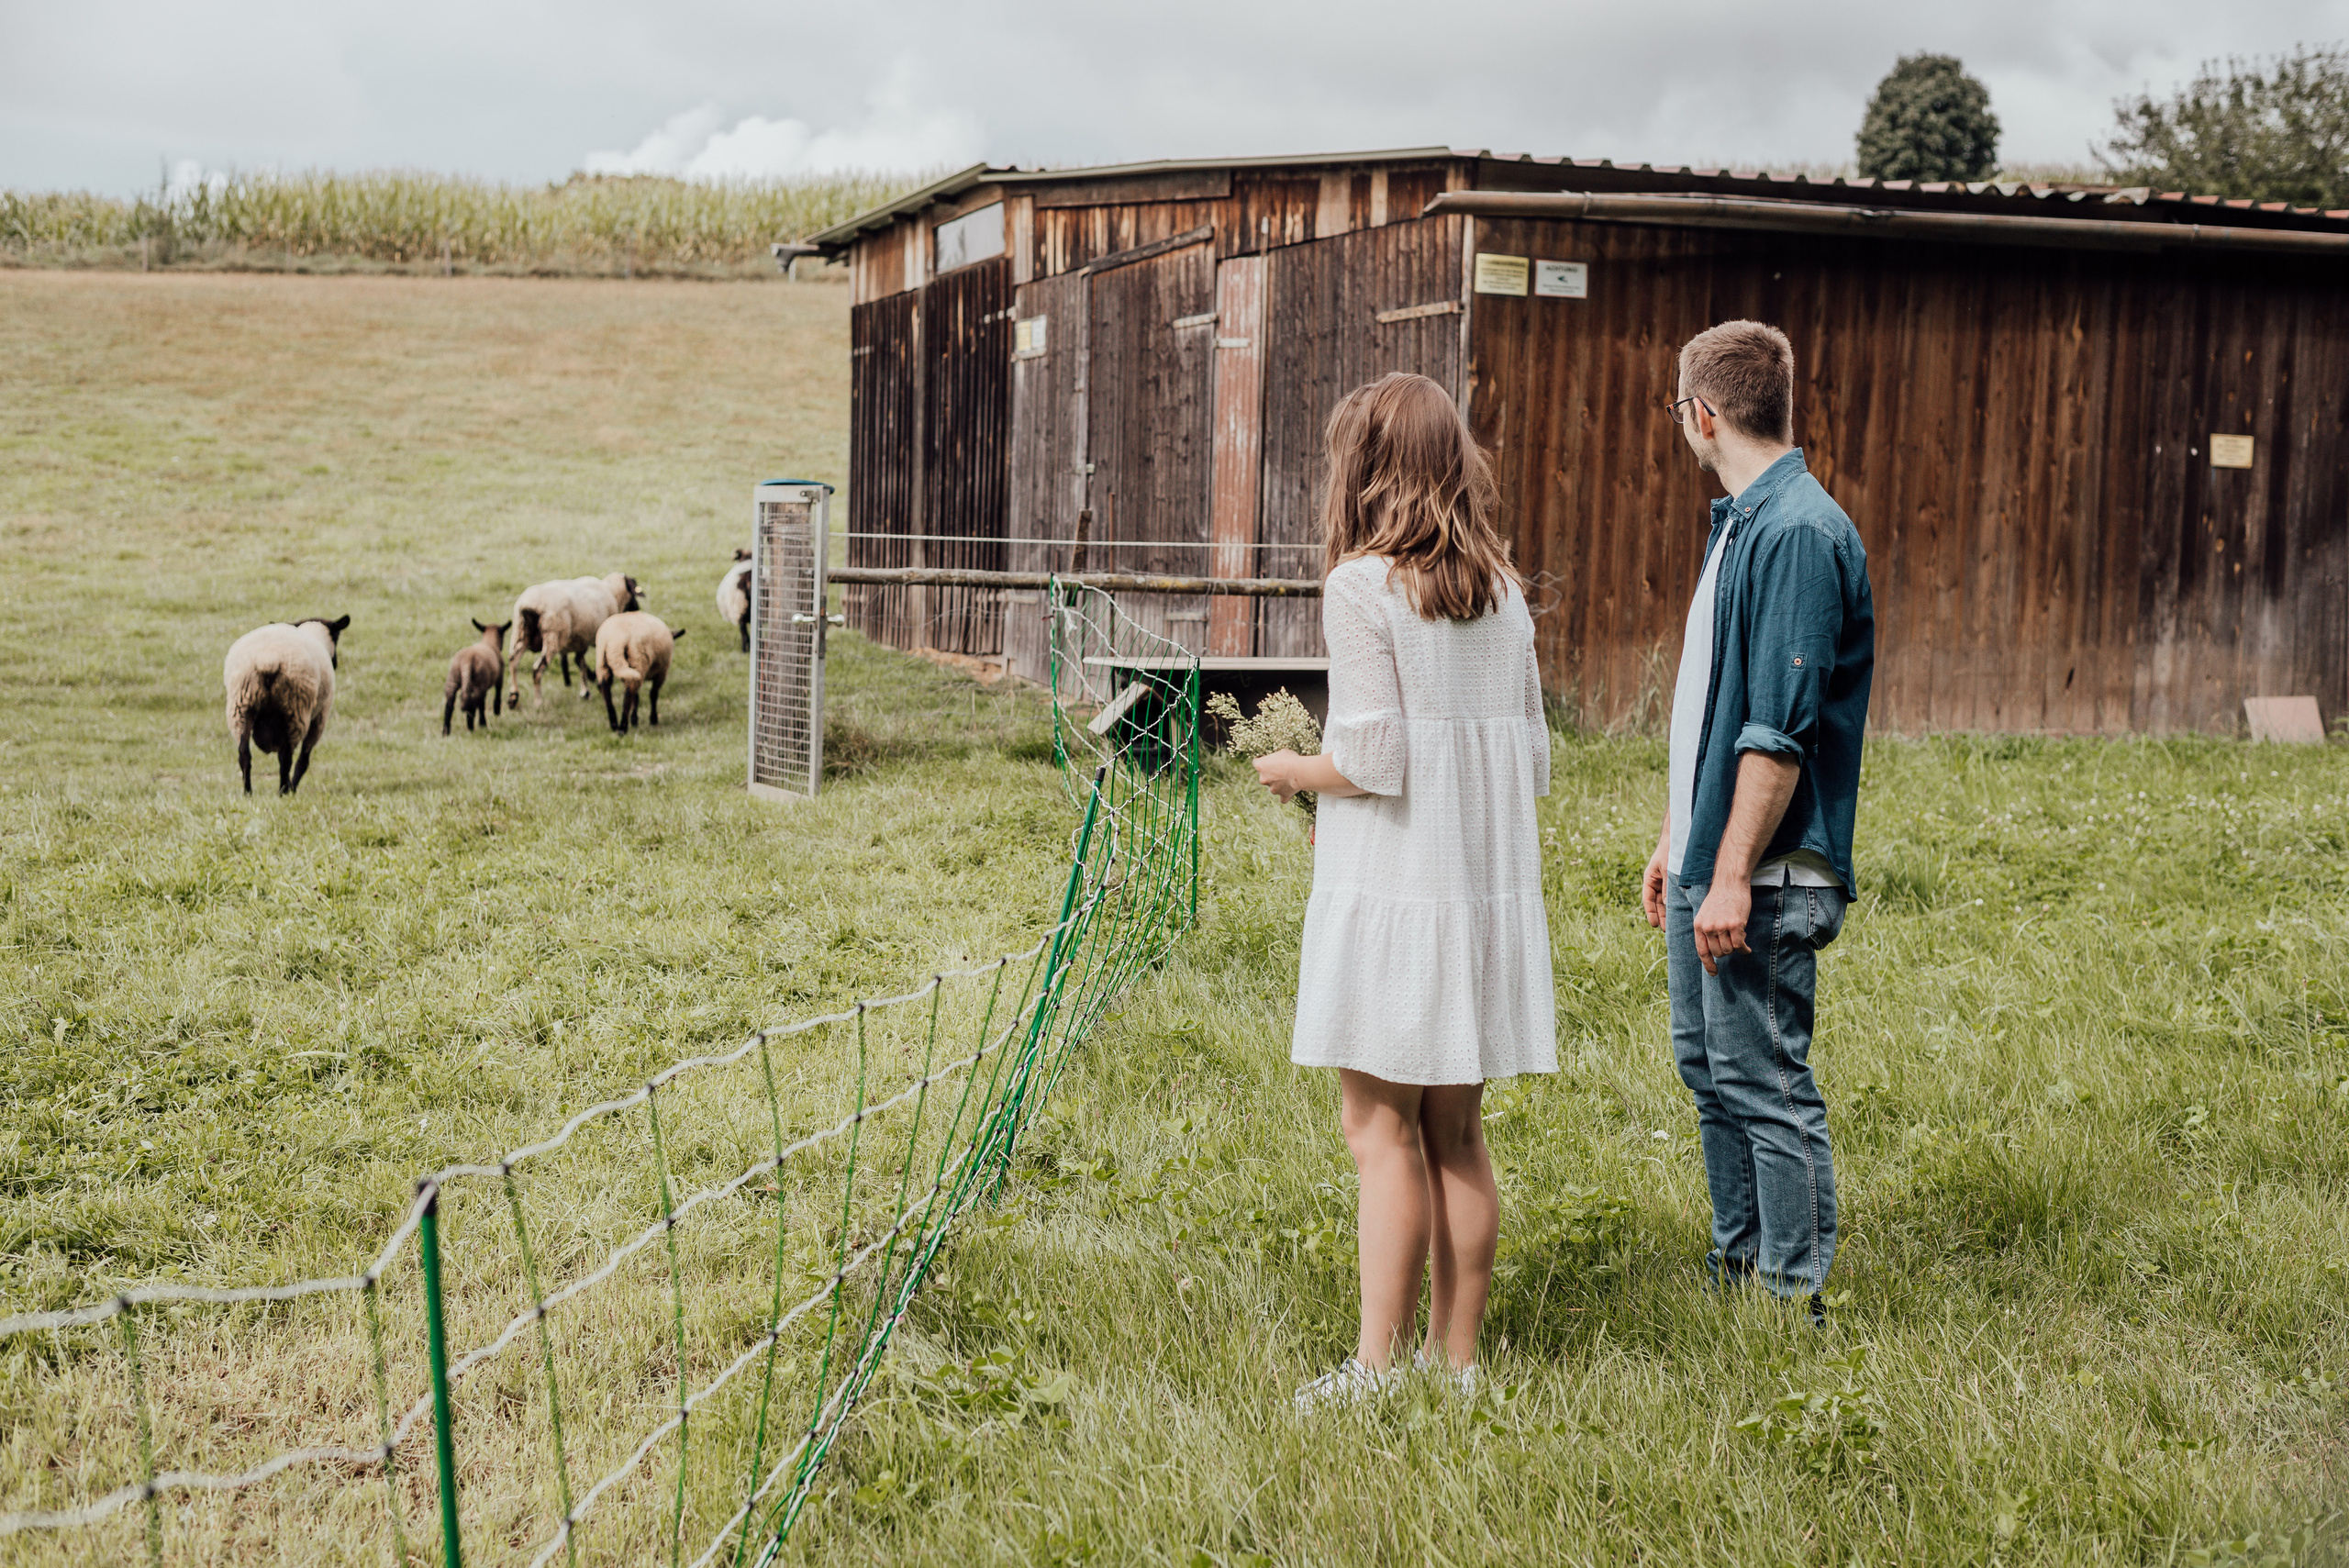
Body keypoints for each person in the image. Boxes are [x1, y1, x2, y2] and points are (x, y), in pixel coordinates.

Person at [1250, 372, 1556, 1409]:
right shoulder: (1504, 592)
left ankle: (1374, 1370)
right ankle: (1454, 1365)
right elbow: (1534, 755)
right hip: (1474, 896)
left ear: (1370, 468)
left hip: (1395, 897)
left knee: (1378, 1134)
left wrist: (1298, 771)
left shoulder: (1361, 586)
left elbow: (1373, 757)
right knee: (1456, 1136)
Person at [1641, 321, 1875, 1316]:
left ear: (1700, 414)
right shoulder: (1741, 522)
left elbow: (1776, 733)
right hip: (1712, 849)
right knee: (1709, 1069)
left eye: (1677, 409)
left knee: (1765, 1080)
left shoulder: (1795, 533)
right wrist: (1676, 838)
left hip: (1765, 869)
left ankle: (1788, 1301)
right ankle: (1736, 1266)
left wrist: (1731, 871)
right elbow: (1712, 706)